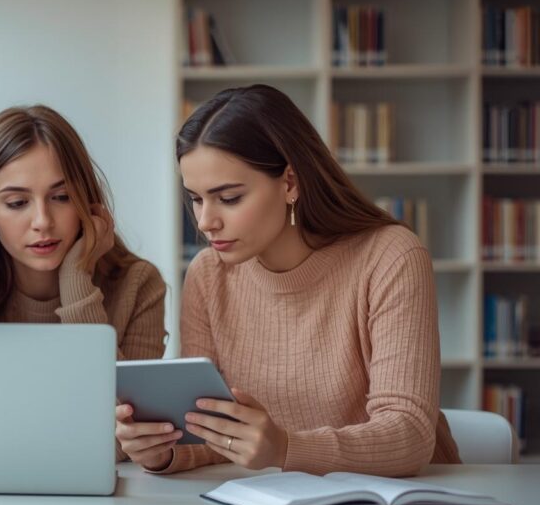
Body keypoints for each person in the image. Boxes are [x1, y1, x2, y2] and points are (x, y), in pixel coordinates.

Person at [116, 84, 460, 476]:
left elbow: (409, 436)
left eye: (228, 198)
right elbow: (217, 437)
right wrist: (163, 450)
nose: (205, 221)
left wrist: (285, 448)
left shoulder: (391, 257)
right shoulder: (208, 275)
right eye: (196, 198)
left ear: (290, 183)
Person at [0, 105, 167, 361]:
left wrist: (75, 277)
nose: (43, 221)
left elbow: (127, 400)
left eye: (61, 197)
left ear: (85, 198)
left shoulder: (137, 285)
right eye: (17, 203)